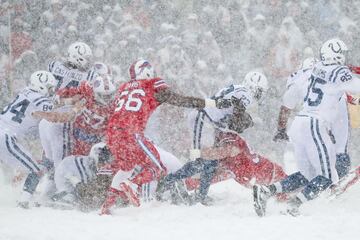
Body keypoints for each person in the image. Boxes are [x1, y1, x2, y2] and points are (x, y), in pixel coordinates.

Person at [100, 59, 231, 214]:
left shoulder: (124, 87)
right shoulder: (152, 84)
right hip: (130, 131)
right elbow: (179, 100)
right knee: (157, 167)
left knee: (125, 169)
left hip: (112, 133)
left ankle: (106, 206)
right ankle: (133, 185)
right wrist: (210, 103)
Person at [253, 38, 360, 217]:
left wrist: (281, 128)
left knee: (307, 175)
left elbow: (288, 101)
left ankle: (267, 191)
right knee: (327, 176)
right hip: (315, 124)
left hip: (300, 123)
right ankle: (294, 204)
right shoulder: (338, 71)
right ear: (337, 55)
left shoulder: (314, 70)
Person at [156, 71, 286, 205]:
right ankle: (168, 181)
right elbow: (236, 118)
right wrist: (244, 121)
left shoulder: (238, 89)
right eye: (259, 91)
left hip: (208, 122)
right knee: (201, 160)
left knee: (210, 160)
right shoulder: (246, 95)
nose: (259, 95)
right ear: (253, 87)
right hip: (203, 119)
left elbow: (228, 109)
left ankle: (201, 195)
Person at [0, 71, 57, 208]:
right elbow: (56, 110)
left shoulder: (24, 91)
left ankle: (20, 192)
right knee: (36, 169)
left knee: (27, 165)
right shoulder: (40, 100)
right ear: (41, 86)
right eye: (49, 88)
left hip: (4, 130)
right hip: (5, 137)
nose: (51, 91)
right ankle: (24, 200)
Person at [39, 41, 94, 169]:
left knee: (49, 153)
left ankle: (43, 176)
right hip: (65, 115)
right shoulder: (89, 74)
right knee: (62, 154)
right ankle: (58, 179)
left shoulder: (54, 65)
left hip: (47, 111)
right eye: (86, 59)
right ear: (78, 57)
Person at [56, 62, 115, 155]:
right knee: (74, 155)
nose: (106, 99)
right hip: (80, 131)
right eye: (103, 96)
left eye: (109, 95)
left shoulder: (115, 104)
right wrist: (60, 95)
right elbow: (72, 91)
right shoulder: (87, 88)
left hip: (99, 136)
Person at [50, 142, 113, 211]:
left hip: (69, 175)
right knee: (81, 200)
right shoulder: (83, 167)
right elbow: (82, 188)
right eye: (103, 159)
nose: (105, 163)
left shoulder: (90, 165)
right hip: (67, 181)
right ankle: (62, 197)